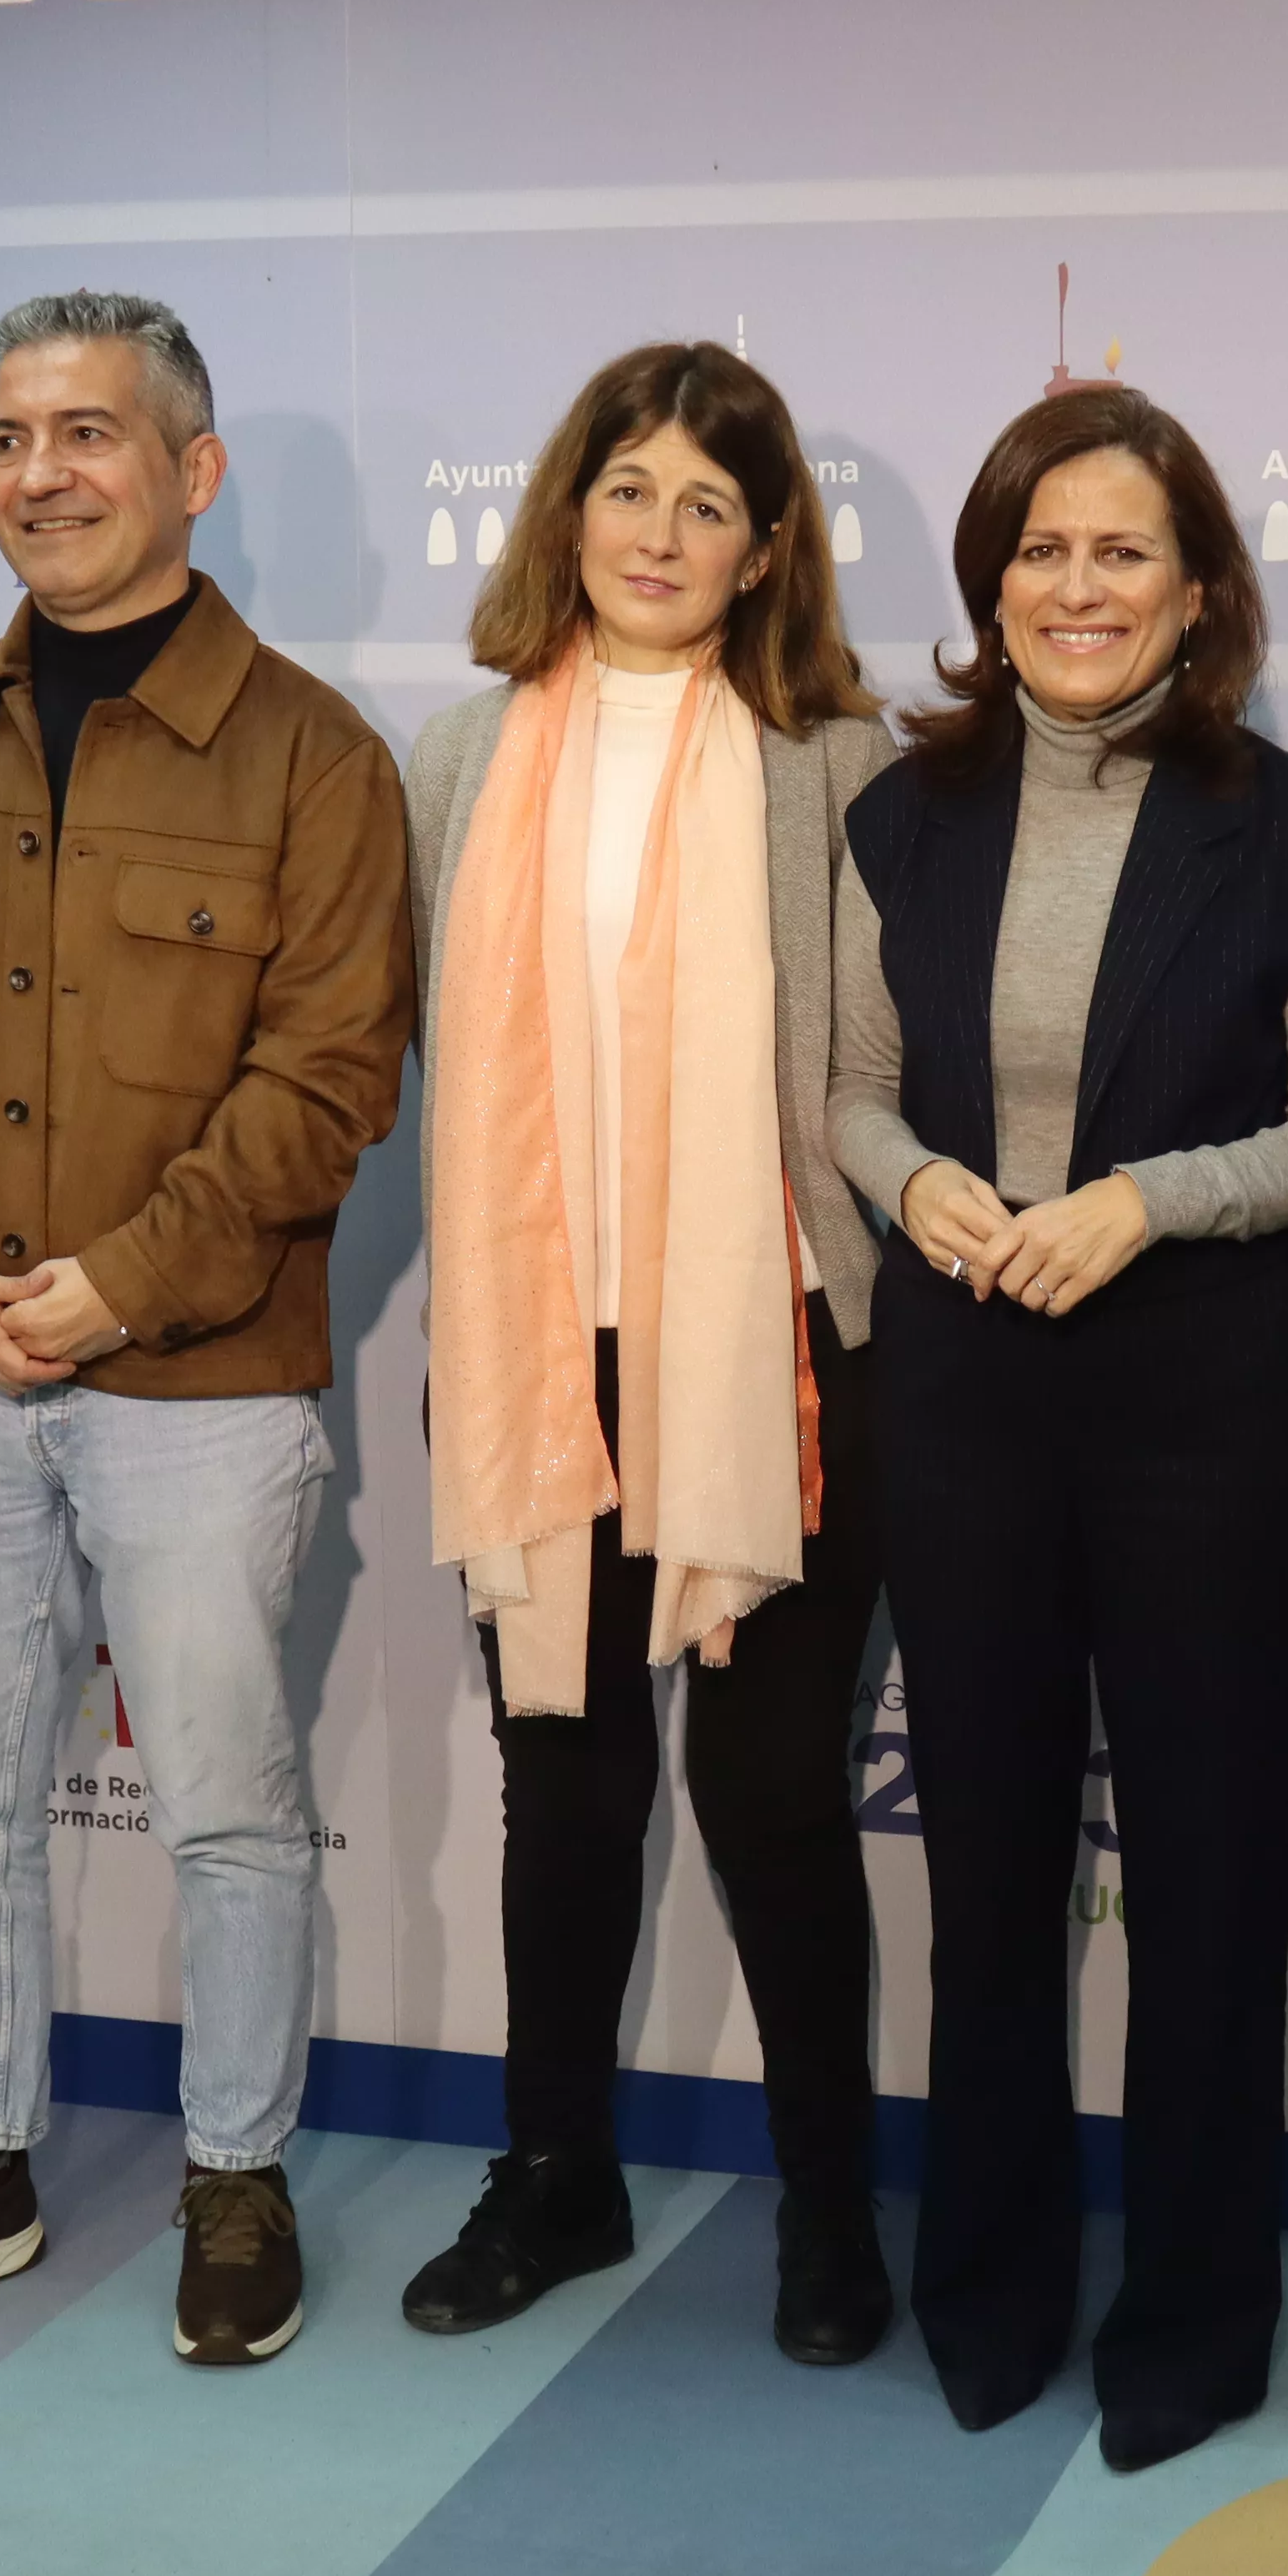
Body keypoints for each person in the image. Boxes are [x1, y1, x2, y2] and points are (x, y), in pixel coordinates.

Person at [0, 290, 415, 2367]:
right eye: (3, 436)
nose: (37, 474)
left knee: (230, 1806)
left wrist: (121, 1279)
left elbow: (329, 1078)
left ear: (190, 469)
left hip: (200, 1382)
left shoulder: (318, 754)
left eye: (84, 433)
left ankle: (238, 2179)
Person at [835, 385, 1288, 2473]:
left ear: (1198, 588)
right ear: (993, 578)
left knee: (1208, 1871)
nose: (1078, 588)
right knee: (982, 1871)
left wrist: (1148, 1197)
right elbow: (852, 1086)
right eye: (1041, 549)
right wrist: (915, 1183)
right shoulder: (902, 816)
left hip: (1209, 1407)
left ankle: (1192, 2318)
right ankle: (983, 2291)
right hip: (966, 1394)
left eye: (1123, 552)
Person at [395, 345, 900, 2362]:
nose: (664, 535)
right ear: (567, 510)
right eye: (630, 489)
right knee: (564, 1785)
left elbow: (873, 1069)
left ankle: (828, 2208)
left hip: (771, 1354)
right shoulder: (456, 758)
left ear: (768, 544)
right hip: (534, 1350)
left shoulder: (838, 763)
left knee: (778, 1797)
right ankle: (557, 2173)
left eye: (712, 502)